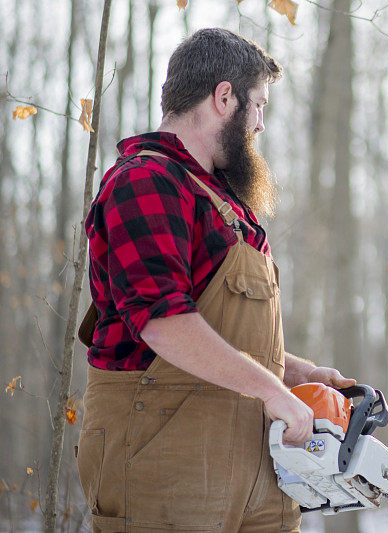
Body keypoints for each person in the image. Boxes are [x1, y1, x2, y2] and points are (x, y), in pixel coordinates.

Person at [76, 28, 356, 532]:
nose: (262, 124)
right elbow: (164, 324)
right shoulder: (145, 181)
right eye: (259, 106)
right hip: (162, 455)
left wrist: (296, 374)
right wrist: (271, 391)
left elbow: (216, 334)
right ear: (224, 97)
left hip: (251, 464)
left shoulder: (223, 203)